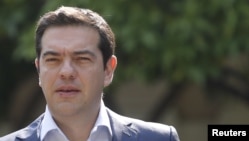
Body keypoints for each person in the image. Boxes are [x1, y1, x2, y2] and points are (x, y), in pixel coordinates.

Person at [0, 6, 180, 141]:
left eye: (82, 59)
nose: (66, 72)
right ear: (39, 70)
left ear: (108, 70)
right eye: (53, 60)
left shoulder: (159, 138)